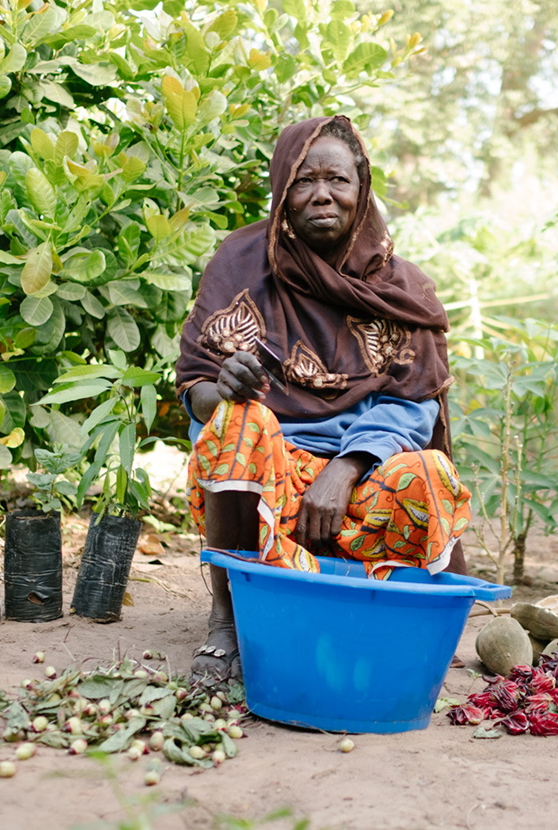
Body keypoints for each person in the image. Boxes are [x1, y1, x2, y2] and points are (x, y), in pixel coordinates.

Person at [175, 115, 470, 686]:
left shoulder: (402, 287)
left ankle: (398, 615)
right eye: (304, 180)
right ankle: (227, 623)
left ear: (361, 189)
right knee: (240, 422)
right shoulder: (240, 264)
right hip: (265, 481)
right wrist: (225, 390)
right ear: (282, 190)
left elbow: (415, 404)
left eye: (337, 179)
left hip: (361, 485)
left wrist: (346, 467)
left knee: (430, 472)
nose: (321, 195)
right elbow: (195, 389)